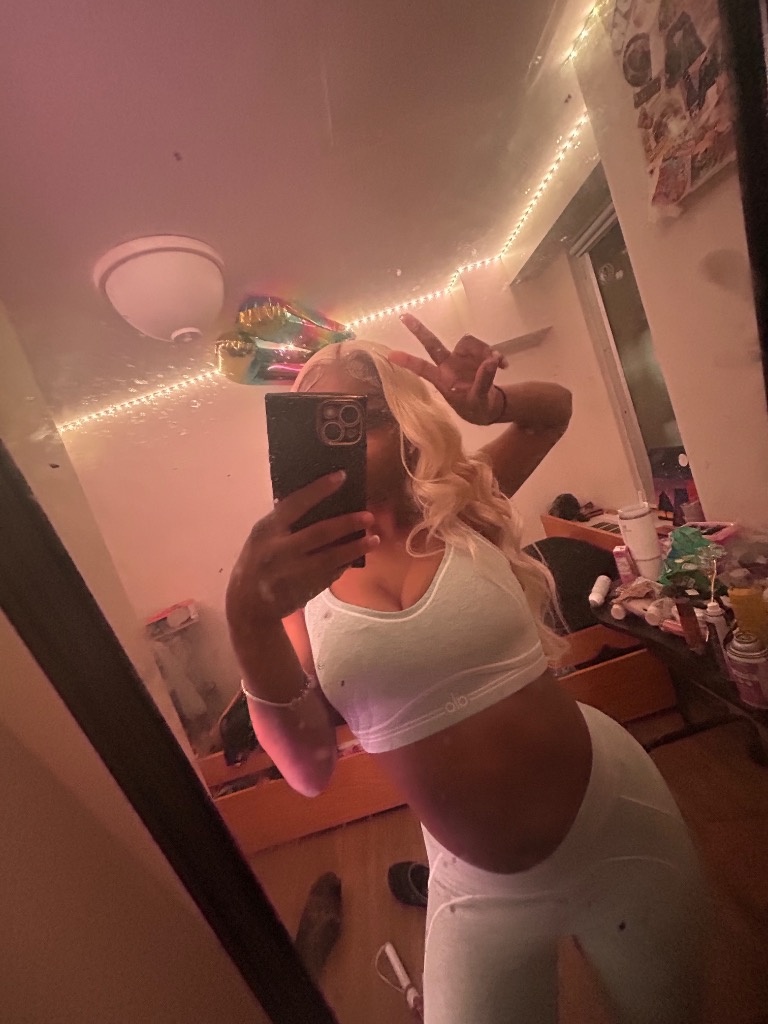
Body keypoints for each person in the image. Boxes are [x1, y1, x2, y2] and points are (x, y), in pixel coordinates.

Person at [226, 314, 707, 1024]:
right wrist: (247, 621)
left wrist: (493, 405)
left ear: (407, 423)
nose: (340, 445)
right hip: (477, 887)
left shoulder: (461, 509)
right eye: (318, 427)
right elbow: (307, 772)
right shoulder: (296, 593)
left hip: (614, 821)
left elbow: (555, 413)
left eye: (357, 418)